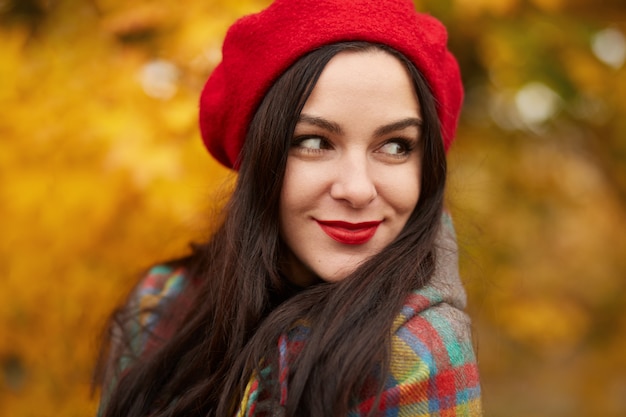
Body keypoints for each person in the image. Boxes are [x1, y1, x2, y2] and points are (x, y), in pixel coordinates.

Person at [94, 0, 482, 416]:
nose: (356, 189)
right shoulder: (163, 299)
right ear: (260, 158)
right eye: (314, 142)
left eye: (395, 146)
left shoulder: (419, 350)